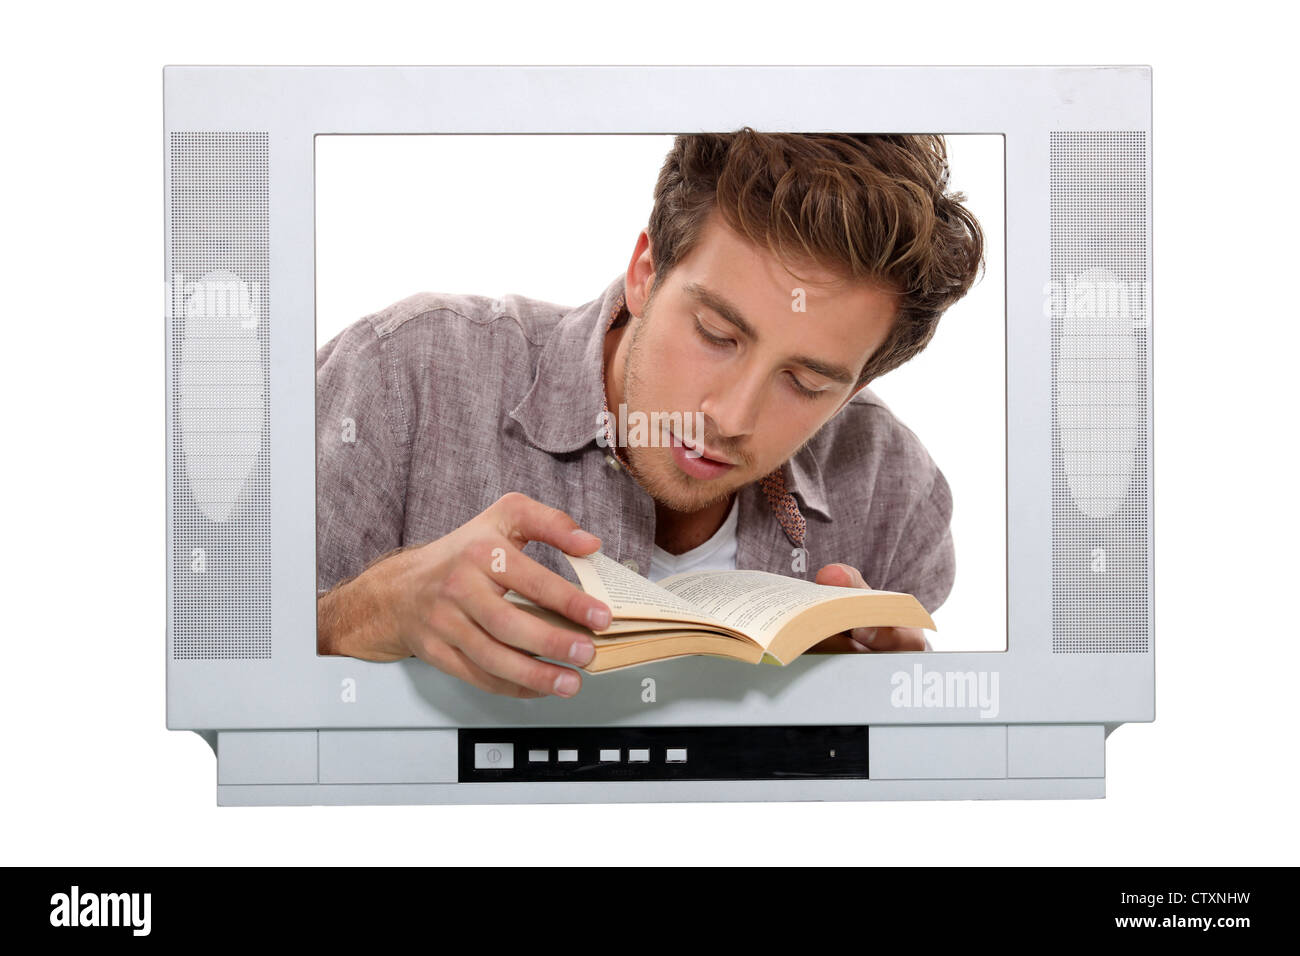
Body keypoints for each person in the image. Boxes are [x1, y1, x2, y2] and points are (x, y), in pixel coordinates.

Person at [315, 129, 984, 699]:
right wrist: (370, 614)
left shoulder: (894, 495)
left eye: (807, 381)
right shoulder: (406, 373)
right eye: (717, 335)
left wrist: (903, 718)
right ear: (646, 270)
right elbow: (223, 653)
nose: (729, 416)